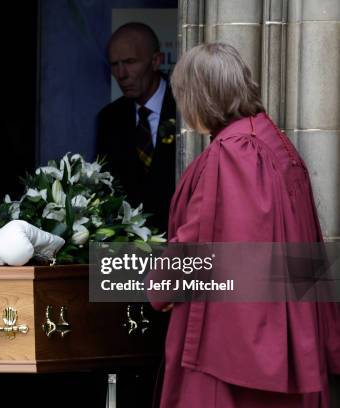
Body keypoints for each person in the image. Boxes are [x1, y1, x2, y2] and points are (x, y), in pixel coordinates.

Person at [152, 42, 340, 407]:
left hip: (227, 352)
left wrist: (160, 289)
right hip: (287, 336)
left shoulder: (232, 153)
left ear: (200, 97)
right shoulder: (275, 142)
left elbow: (196, 245)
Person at [96, 22, 176, 233]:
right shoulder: (109, 118)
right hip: (129, 249)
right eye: (114, 64)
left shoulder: (186, 107)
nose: (121, 74)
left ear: (156, 60)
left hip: (184, 245)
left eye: (130, 62)